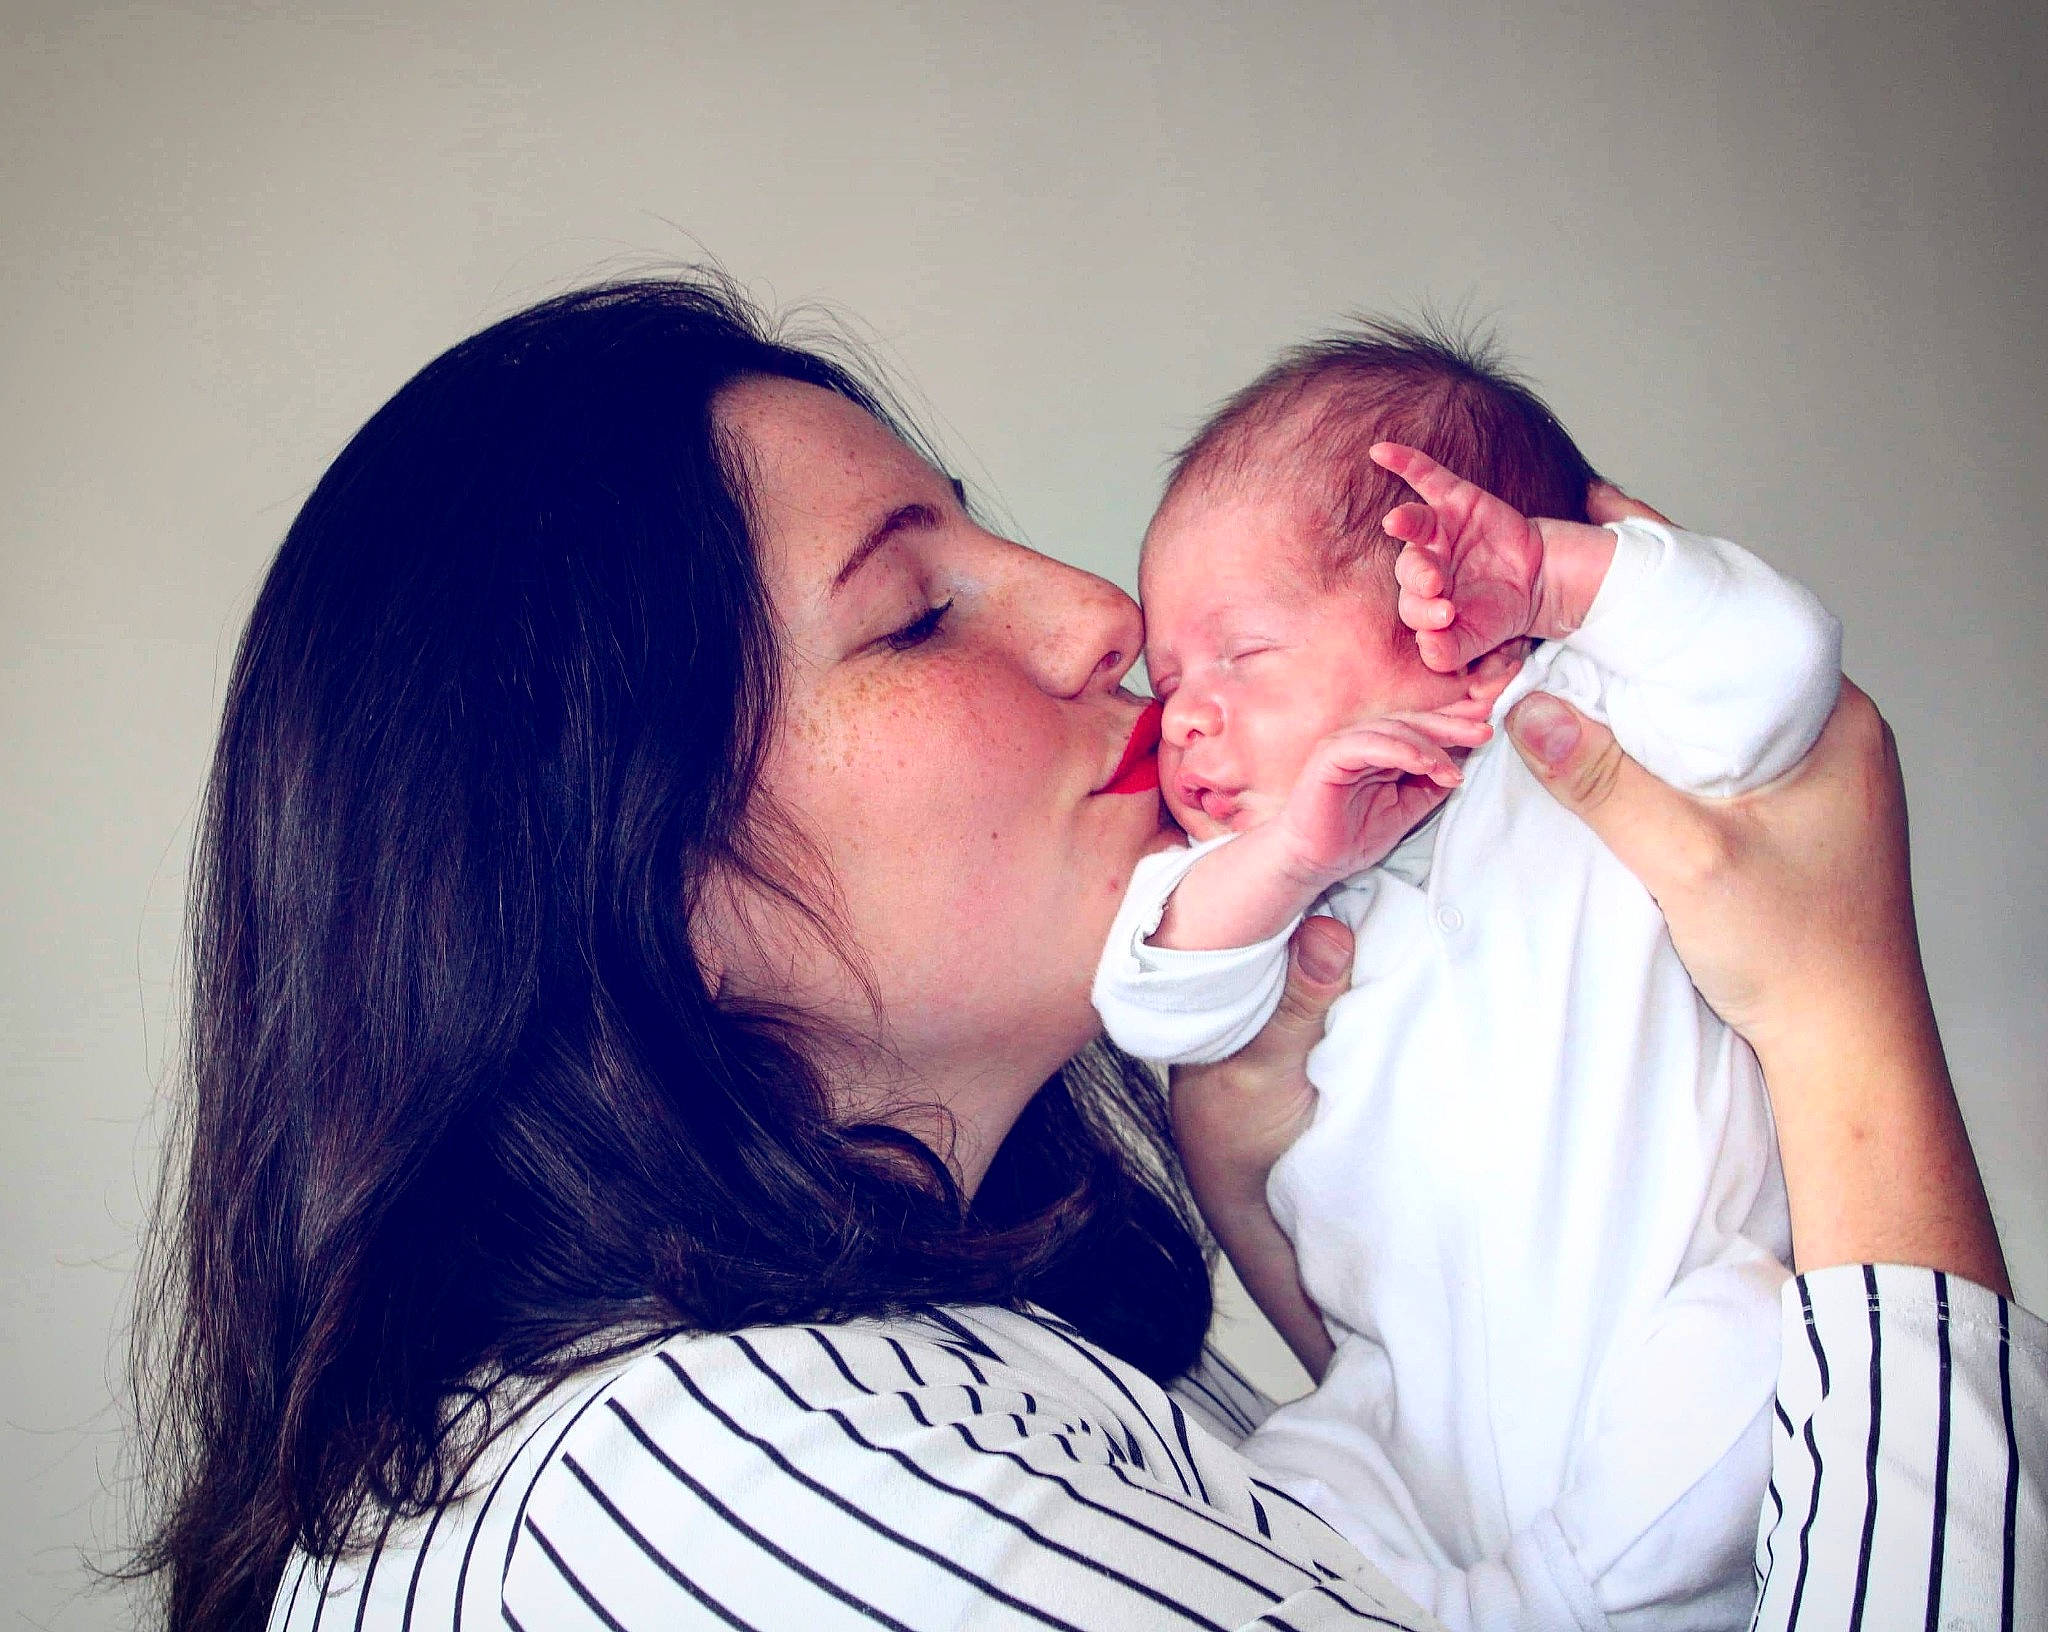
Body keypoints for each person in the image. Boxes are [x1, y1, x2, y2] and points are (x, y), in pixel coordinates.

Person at [128, 275, 2040, 1632]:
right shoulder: (743, 1493)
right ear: (629, 882)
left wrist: (1318, 1261)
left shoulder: (920, 1414)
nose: (1101, 614)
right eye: (914, 611)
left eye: (990, 540)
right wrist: (1846, 1031)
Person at [1092, 327, 1840, 1627]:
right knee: (1276, 1490)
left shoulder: (1598, 744)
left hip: (1655, 1348)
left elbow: (1780, 665)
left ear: (1469, 632)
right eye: (1172, 681)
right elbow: (1150, 1004)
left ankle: (1546, 1602)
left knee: (1768, 1350)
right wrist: (1290, 857)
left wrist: (1566, 579)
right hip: (1402, 1408)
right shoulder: (1259, 888)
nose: (1188, 713)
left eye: (1242, 656)